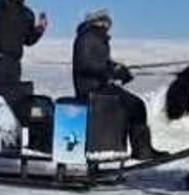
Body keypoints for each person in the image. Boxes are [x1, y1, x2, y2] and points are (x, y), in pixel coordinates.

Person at [72, 8, 168, 160]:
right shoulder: (87, 38)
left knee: (137, 105)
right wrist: (113, 72)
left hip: (100, 86)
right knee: (136, 105)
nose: (105, 24)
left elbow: (102, 63)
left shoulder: (97, 38)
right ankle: (142, 151)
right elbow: (85, 65)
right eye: (102, 20)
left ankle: (142, 150)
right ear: (93, 22)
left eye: (107, 21)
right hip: (91, 89)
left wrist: (120, 69)